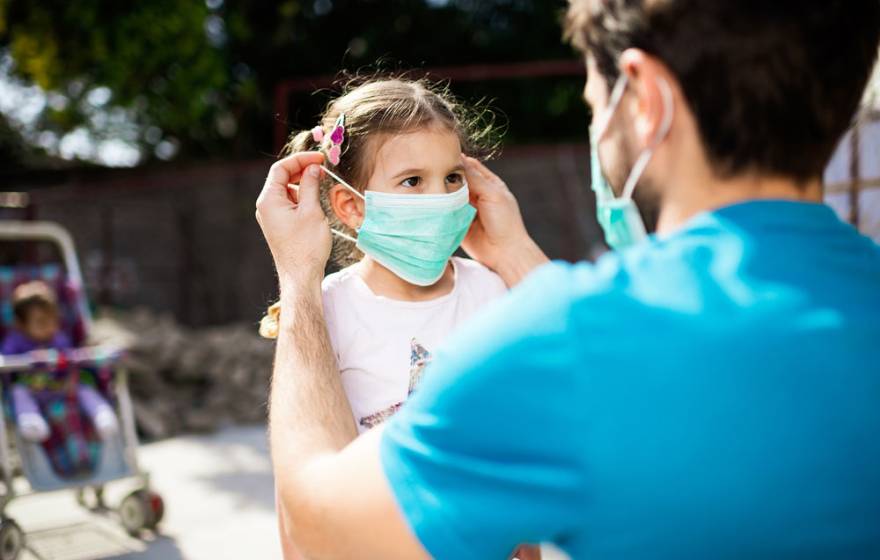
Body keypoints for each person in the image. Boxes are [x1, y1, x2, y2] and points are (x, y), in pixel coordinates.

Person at [255, 1, 880, 558]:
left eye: (592, 104)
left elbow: (321, 535)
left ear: (645, 99)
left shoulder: (566, 342)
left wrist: (298, 277)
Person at [260, 78, 539, 559]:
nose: (441, 197)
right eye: (413, 181)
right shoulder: (324, 312)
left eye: (453, 177)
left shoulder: (493, 291)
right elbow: (303, 487)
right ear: (350, 204)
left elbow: (519, 446)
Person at [2, 281, 118, 443]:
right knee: (18, 393)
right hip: (32, 389)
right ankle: (31, 422)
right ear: (21, 325)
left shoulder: (59, 339)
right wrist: (27, 360)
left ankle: (102, 415)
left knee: (83, 387)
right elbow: (5, 361)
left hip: (59, 387)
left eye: (53, 320)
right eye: (41, 322)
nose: (49, 326)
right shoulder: (15, 342)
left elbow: (70, 359)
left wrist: (71, 375)